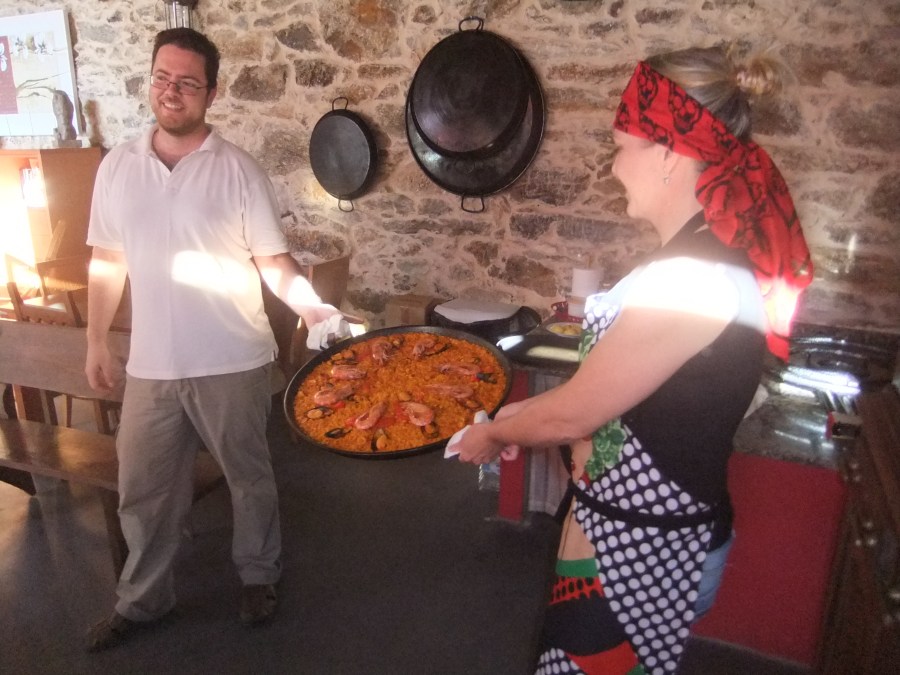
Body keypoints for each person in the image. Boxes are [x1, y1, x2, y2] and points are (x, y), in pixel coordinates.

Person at [450, 46, 813, 674]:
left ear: (669, 152)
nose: (613, 166)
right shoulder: (696, 255)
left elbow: (578, 413)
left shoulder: (694, 277)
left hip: (645, 547)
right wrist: (515, 420)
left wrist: (497, 433)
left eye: (621, 147)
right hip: (624, 532)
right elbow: (605, 392)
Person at [84, 27, 345, 652]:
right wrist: (95, 339)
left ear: (212, 92)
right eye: (162, 78)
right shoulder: (118, 167)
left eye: (186, 83)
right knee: (142, 491)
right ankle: (144, 601)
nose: (171, 92)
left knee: (248, 479)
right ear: (150, 80)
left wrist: (314, 311)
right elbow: (106, 260)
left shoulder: (238, 171)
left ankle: (258, 576)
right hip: (151, 365)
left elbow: (273, 263)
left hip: (233, 359)